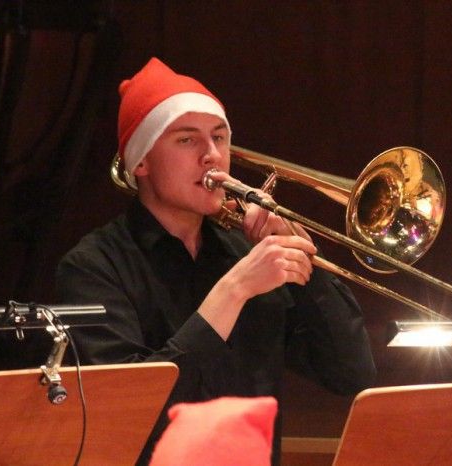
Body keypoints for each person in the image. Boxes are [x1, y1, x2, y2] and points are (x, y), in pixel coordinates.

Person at [56, 57, 376, 465]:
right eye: (187, 140)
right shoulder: (93, 266)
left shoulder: (247, 253)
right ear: (141, 162)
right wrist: (234, 290)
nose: (213, 156)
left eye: (220, 138)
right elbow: (132, 414)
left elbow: (351, 374)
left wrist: (301, 255)